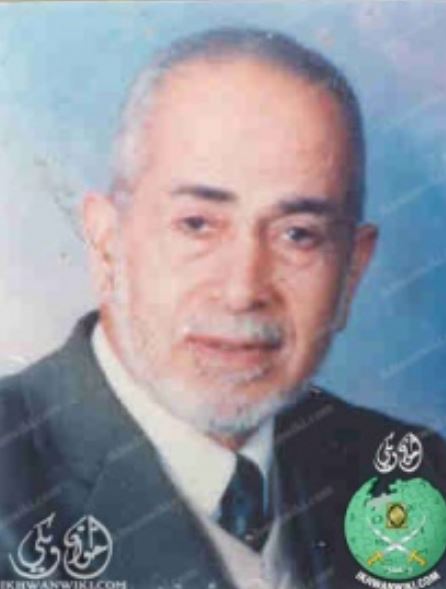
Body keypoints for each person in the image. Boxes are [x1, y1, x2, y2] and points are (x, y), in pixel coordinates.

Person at [0, 28, 445, 589]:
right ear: (106, 243)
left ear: (352, 271)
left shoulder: (416, 477)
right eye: (197, 224)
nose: (242, 289)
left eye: (298, 234)